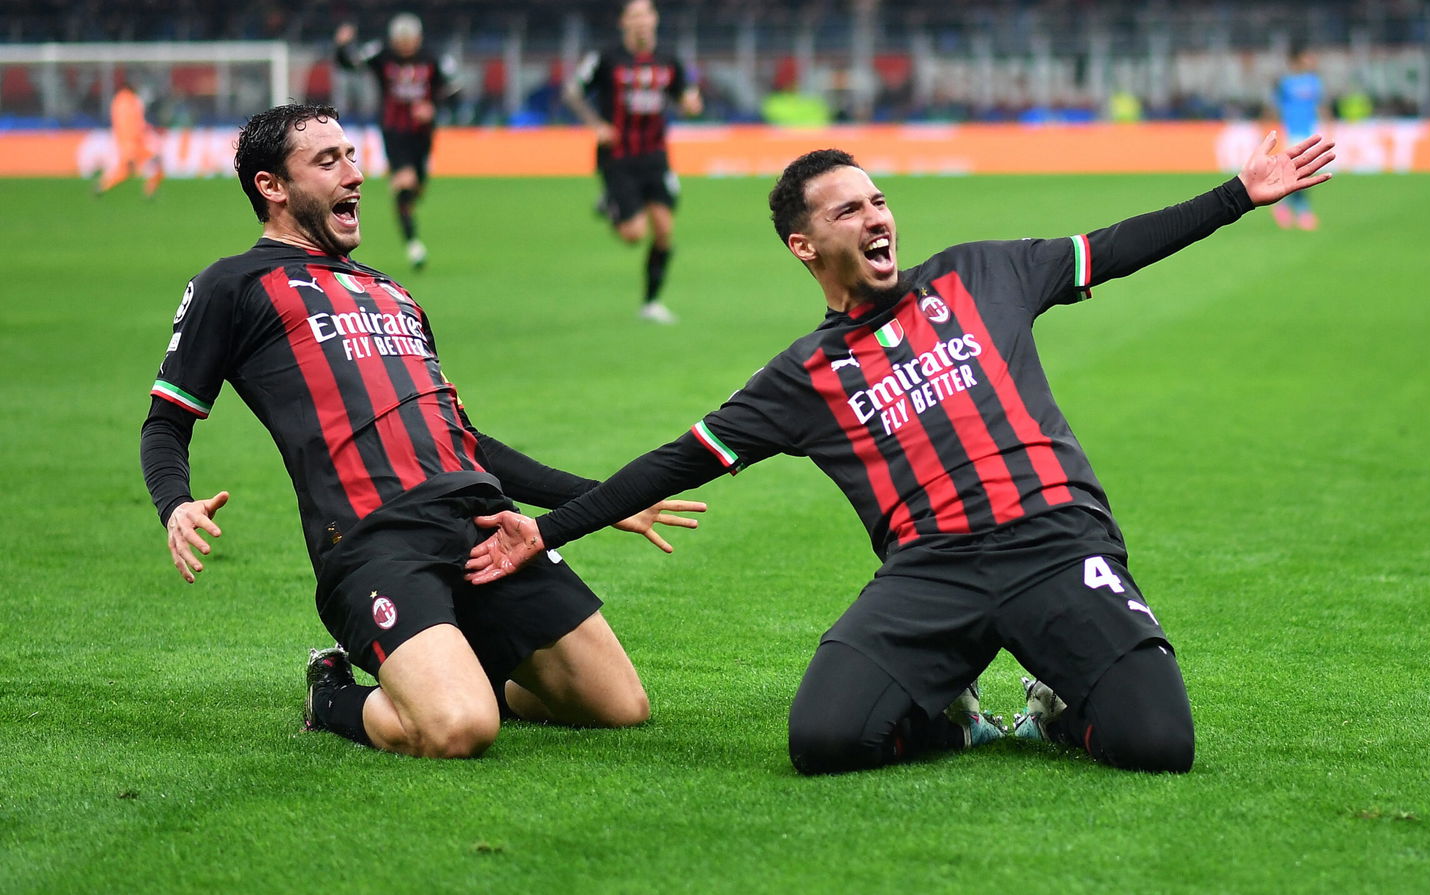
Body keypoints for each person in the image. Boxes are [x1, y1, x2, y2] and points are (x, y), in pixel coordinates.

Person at [463, 132, 1336, 777]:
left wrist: (1235, 195)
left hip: (1056, 543)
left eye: (878, 199)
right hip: (932, 572)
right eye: (850, 208)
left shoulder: (981, 273)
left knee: (1159, 744)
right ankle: (949, 713)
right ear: (805, 246)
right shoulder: (804, 375)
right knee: (824, 742)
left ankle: (1061, 705)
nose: (877, 215)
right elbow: (677, 460)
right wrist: (549, 531)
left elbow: (1113, 248)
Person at [141, 103, 704, 759]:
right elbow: (165, 423)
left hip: (484, 520)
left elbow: (465, 443)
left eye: (352, 156)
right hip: (375, 538)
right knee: (458, 729)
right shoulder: (232, 285)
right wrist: (174, 503)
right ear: (272, 186)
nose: (353, 174)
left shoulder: (392, 293)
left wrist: (604, 500)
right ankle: (331, 695)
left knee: (619, 707)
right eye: (327, 161)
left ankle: (457, 665)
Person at [564, 0, 703, 324]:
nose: (641, 21)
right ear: (624, 22)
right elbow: (573, 91)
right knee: (633, 235)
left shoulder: (669, 59)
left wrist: (691, 104)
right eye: (634, 16)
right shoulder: (607, 58)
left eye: (646, 15)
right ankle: (610, 203)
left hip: (655, 155)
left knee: (665, 230)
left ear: (654, 20)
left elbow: (686, 99)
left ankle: (651, 302)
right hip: (618, 156)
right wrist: (596, 124)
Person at [334, 14, 457, 269]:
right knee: (404, 183)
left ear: (418, 39)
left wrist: (433, 107)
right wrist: (342, 46)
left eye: (409, 40)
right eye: (400, 40)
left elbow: (454, 93)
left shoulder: (432, 59)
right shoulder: (382, 55)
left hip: (422, 135)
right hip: (394, 131)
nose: (404, 45)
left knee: (415, 190)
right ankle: (414, 246)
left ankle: (407, 211)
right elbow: (350, 64)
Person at [1272, 46, 1326, 230]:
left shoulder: (1314, 82)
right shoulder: (1286, 83)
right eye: (1306, 57)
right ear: (1297, 60)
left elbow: (1320, 105)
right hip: (1292, 133)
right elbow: (1274, 107)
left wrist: (1328, 124)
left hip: (1309, 133)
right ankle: (1304, 213)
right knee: (1300, 173)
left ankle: (1284, 206)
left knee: (1302, 174)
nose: (1311, 60)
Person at [97, 81, 164, 197]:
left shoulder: (118, 101)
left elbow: (130, 122)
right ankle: (104, 186)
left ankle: (103, 186)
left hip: (128, 141)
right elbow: (131, 123)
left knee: (129, 169)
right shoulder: (129, 101)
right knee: (131, 168)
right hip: (133, 142)